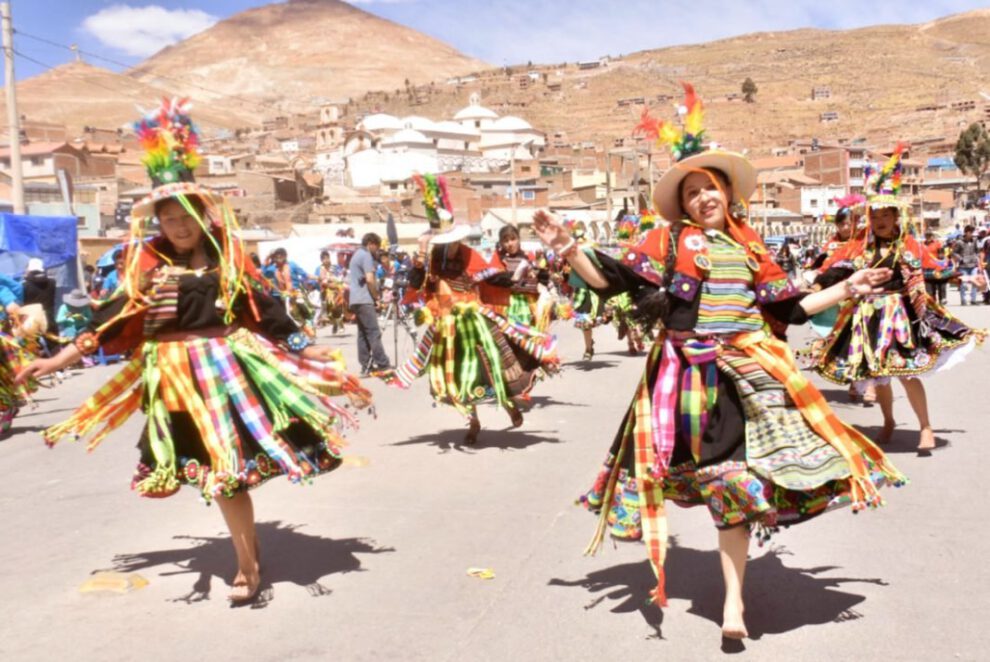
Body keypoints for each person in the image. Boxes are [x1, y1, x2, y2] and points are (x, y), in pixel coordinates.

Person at [534, 84, 903, 640]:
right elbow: (614, 280)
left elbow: (794, 309)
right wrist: (568, 247)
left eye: (710, 188)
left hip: (753, 371)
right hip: (686, 379)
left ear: (728, 194)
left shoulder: (752, 247)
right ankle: (731, 588)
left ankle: (734, 603)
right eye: (692, 193)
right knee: (716, 477)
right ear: (681, 206)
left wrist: (849, 285)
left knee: (737, 483)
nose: (703, 198)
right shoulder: (665, 242)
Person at [16, 99, 371, 604]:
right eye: (167, 217)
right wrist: (54, 361)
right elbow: (110, 321)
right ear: (158, 222)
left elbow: (262, 309)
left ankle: (247, 567)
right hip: (176, 382)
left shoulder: (227, 257)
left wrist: (307, 349)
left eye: (186, 215)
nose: (178, 225)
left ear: (202, 215)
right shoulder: (148, 265)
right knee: (221, 478)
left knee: (228, 475)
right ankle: (249, 557)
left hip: (228, 374)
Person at [814, 145, 983, 453]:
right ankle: (889, 420)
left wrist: (961, 276)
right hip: (867, 320)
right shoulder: (859, 248)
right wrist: (815, 283)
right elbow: (834, 271)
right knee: (881, 379)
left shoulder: (906, 247)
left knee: (906, 374)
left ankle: (925, 427)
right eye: (875, 215)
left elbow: (930, 272)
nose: (879, 221)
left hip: (898, 320)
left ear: (895, 218)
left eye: (885, 215)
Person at [389, 174, 558, 444]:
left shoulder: (470, 255)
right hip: (447, 327)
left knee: (495, 364)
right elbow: (417, 284)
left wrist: (534, 280)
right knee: (458, 375)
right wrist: (420, 258)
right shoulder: (432, 258)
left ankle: (508, 404)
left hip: (476, 319)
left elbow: (494, 278)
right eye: (447, 241)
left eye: (454, 240)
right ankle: (473, 421)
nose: (452, 245)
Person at [348, 233, 391, 373]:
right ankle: (383, 363)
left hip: (355, 299)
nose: (377, 250)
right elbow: (370, 279)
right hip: (364, 299)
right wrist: (377, 297)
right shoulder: (366, 255)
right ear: (371, 243)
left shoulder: (356, 254)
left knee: (363, 334)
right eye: (377, 247)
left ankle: (365, 365)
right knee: (373, 332)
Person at [263, 247, 316, 337]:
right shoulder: (273, 268)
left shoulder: (292, 265)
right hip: (283, 296)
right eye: (276, 257)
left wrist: (317, 278)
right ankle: (301, 332)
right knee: (290, 314)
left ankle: (309, 328)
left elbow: (305, 274)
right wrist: (267, 257)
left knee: (304, 310)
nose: (279, 259)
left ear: (285, 256)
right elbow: (263, 273)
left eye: (281, 256)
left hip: (296, 293)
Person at [22, 258, 57, 352]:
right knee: (53, 344)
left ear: (29, 270)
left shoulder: (24, 285)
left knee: (32, 346)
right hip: (48, 316)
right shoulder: (52, 283)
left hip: (31, 319)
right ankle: (58, 365)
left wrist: (26, 277)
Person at [316, 250, 346, 334]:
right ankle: (335, 324)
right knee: (330, 311)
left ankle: (340, 325)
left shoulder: (334, 267)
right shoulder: (319, 269)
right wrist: (324, 281)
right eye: (324, 259)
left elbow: (340, 276)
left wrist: (339, 277)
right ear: (321, 260)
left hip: (336, 291)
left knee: (337, 308)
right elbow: (319, 280)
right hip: (325, 292)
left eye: (327, 258)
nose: (326, 260)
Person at [951, 225, 981, 305]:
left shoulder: (975, 240)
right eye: (970, 232)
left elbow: (977, 251)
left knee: (975, 282)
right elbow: (954, 252)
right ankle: (963, 300)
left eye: (972, 232)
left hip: (973, 265)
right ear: (966, 232)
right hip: (963, 266)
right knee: (963, 284)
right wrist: (961, 259)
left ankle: (973, 300)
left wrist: (977, 258)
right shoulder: (959, 242)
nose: (971, 234)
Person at [923, 229, 948, 305]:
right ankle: (933, 304)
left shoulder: (937, 244)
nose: (928, 237)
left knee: (941, 286)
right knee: (929, 289)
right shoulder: (921, 245)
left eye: (930, 235)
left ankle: (942, 300)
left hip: (937, 268)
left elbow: (942, 255)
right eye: (927, 235)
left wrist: (941, 263)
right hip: (926, 269)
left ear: (932, 236)